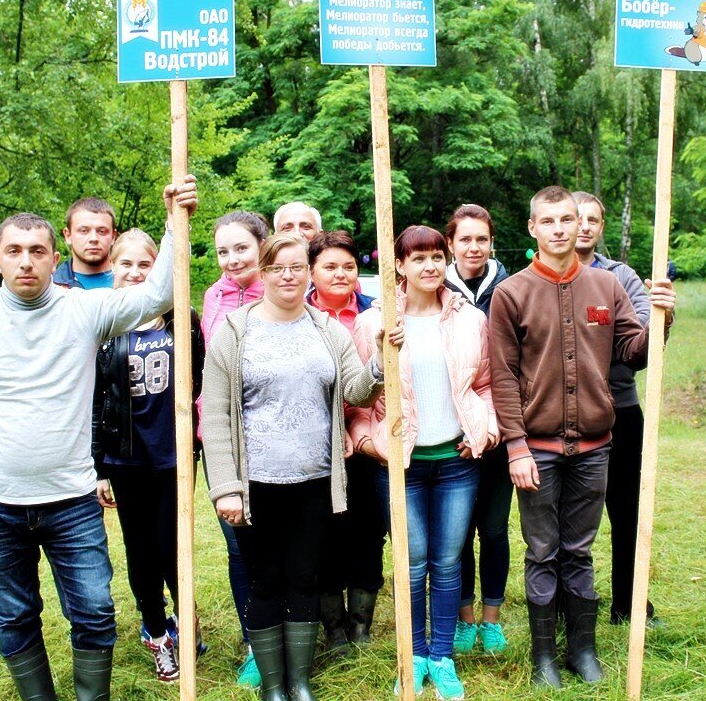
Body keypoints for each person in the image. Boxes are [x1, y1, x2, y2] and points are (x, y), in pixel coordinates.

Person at [0, 178, 199, 701]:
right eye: (14, 251)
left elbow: (157, 294)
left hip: (72, 500)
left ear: (54, 258)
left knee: (95, 611)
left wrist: (174, 222)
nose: (26, 262)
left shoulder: (84, 310)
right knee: (15, 613)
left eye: (37, 251)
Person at [488, 186, 676, 689]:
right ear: (532, 228)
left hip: (595, 447)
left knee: (579, 550)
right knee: (542, 551)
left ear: (580, 225)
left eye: (567, 219)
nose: (559, 229)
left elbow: (634, 352)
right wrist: (516, 447)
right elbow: (503, 377)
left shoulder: (606, 286)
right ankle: (544, 658)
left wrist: (662, 318)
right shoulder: (512, 294)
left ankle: (583, 650)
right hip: (537, 450)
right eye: (548, 221)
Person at [201, 232, 386, 701]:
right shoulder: (234, 332)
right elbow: (215, 415)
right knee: (264, 580)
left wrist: (381, 362)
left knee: (305, 577)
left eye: (297, 267)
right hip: (254, 483)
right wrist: (225, 486)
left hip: (315, 482)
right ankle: (273, 684)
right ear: (263, 272)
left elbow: (355, 391)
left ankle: (299, 681)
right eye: (277, 268)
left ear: (308, 273)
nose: (288, 276)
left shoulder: (327, 329)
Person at [351, 225, 498, 700]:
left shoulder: (470, 319)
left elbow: (486, 385)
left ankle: (443, 656)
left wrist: (485, 431)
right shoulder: (373, 323)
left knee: (448, 561)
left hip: (457, 462)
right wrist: (369, 444)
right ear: (399, 265)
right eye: (418, 258)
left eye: (437, 256)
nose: (430, 266)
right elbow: (356, 400)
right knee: (412, 563)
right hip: (402, 467)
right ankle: (413, 656)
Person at [92, 228, 206, 682]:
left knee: (172, 546)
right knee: (139, 550)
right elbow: (94, 401)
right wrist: (99, 468)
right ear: (112, 269)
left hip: (172, 455)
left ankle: (186, 620)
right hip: (125, 459)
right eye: (127, 264)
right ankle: (157, 635)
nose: (136, 272)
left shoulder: (181, 317)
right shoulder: (104, 324)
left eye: (146, 264)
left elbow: (197, 377)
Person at [572, 190, 660, 626]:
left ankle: (630, 602)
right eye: (576, 217)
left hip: (621, 409)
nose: (584, 226)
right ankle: (571, 604)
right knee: (569, 520)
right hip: (568, 413)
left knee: (627, 513)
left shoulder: (621, 276)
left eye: (592, 219)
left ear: (601, 227)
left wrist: (662, 317)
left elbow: (637, 338)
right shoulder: (543, 277)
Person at [306, 231, 384, 655]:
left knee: (368, 532)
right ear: (311, 271)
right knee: (324, 535)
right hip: (318, 445)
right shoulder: (298, 316)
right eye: (330, 266)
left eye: (348, 266)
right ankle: (333, 630)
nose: (340, 274)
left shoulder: (375, 313)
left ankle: (361, 627)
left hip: (369, 443)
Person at [200, 210, 269, 688]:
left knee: (277, 542)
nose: (232, 259)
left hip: (271, 433)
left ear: (263, 246)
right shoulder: (212, 296)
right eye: (223, 251)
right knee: (239, 543)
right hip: (221, 434)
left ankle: (288, 634)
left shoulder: (281, 289)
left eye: (241, 248)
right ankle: (253, 643)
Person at [442, 204, 513, 656]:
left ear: (491, 243)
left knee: (495, 529)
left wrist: (494, 428)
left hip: (498, 431)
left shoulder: (510, 288)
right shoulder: (435, 289)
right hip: (453, 437)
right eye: (464, 239)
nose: (473, 247)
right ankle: (464, 619)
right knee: (459, 533)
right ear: (450, 243)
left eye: (481, 239)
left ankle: (492, 620)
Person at [54, 197, 118, 289]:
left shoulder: (133, 282)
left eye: (102, 231)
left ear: (113, 236)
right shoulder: (50, 287)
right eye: (84, 231)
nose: (93, 238)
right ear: (68, 235)